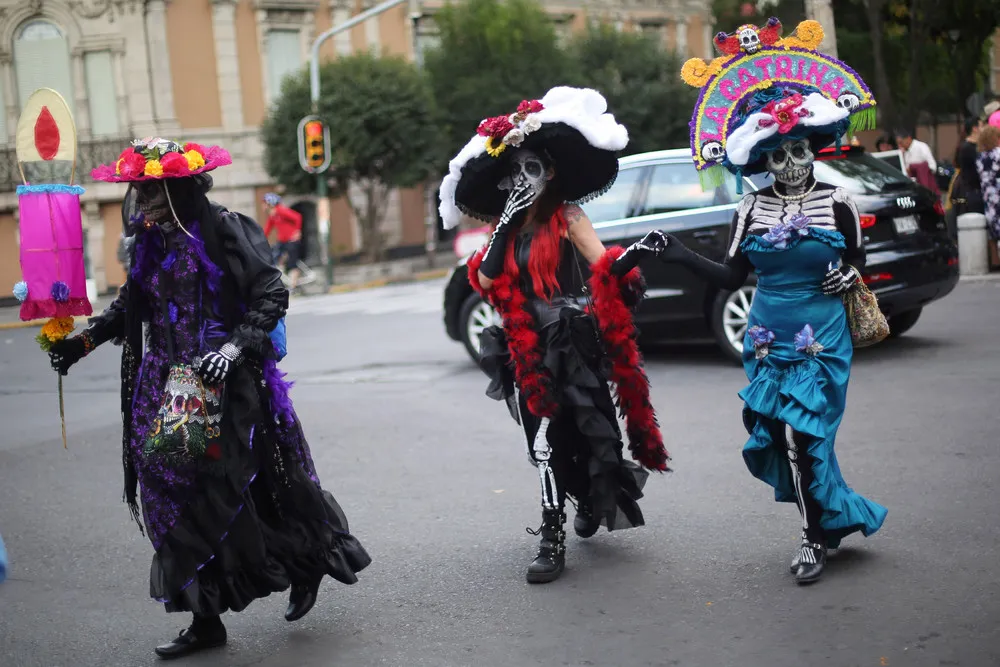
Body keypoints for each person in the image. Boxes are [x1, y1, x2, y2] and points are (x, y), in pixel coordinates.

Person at [47, 138, 370, 659]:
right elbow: (131, 306)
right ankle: (205, 619)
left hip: (223, 387)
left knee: (258, 489)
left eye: (152, 194)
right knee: (167, 492)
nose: (142, 205)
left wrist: (234, 347)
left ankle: (307, 563)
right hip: (168, 388)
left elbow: (271, 292)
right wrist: (80, 342)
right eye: (139, 194)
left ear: (177, 190)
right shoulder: (149, 246)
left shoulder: (224, 229)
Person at [676, 19, 887, 585]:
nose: (792, 163)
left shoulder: (838, 199)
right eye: (778, 155)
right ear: (761, 159)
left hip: (822, 334)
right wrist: (675, 254)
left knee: (808, 433)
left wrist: (848, 275)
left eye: (799, 150)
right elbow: (730, 275)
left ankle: (815, 532)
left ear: (813, 146)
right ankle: (820, 525)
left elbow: (857, 262)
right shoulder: (749, 210)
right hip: (767, 335)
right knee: (788, 437)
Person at [439, 87, 670, 584]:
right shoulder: (504, 229)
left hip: (573, 339)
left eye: (534, 168)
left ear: (550, 172)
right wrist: (505, 222)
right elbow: (483, 280)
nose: (525, 179)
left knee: (588, 429)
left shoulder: (568, 217)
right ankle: (552, 535)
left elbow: (604, 267)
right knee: (542, 442)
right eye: (516, 171)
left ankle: (587, 496)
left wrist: (638, 256)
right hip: (525, 345)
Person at [263, 193, 304, 291]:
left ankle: (294, 286)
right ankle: (284, 281)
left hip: (291, 240)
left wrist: (297, 231)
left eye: (264, 203)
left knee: (292, 263)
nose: (263, 206)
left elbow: (297, 217)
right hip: (282, 241)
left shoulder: (281, 210)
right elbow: (267, 230)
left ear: (270, 203)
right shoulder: (273, 215)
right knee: (276, 260)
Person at [949, 117, 985, 227]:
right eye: (982, 126)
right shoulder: (968, 148)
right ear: (975, 129)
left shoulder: (974, 147)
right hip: (972, 192)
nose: (984, 128)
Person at [975, 124, 1000, 244]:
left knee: (993, 236)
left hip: (988, 197)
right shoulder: (998, 154)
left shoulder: (980, 157)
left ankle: (995, 263)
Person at [894, 128, 939, 192]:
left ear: (908, 138)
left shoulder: (921, 147)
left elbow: (932, 166)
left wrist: (918, 168)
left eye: (901, 142)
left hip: (925, 184)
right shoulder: (905, 152)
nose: (900, 145)